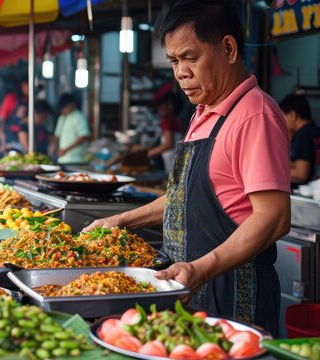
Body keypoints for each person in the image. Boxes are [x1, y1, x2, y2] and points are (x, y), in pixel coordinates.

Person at [84, 0, 290, 334]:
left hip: (233, 299)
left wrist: (200, 269)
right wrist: (119, 221)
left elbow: (274, 217)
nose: (180, 72)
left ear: (228, 48)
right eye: (174, 60)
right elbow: (181, 199)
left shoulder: (254, 115)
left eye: (190, 58)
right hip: (189, 290)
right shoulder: (204, 112)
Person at [278, 93, 320, 187]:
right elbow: (303, 161)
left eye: (282, 116)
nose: (281, 121)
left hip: (309, 193)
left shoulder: (302, 136)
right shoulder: (315, 131)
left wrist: (271, 170)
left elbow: (301, 174)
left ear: (292, 115)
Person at [148, 84, 185, 172]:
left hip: (171, 158)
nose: (158, 111)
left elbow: (168, 144)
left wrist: (149, 153)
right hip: (178, 156)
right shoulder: (176, 118)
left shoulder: (167, 120)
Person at [53, 93, 90, 165]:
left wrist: (65, 150)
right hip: (62, 159)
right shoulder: (62, 117)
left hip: (76, 160)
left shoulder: (79, 116)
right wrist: (55, 146)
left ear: (72, 104)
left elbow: (83, 136)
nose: (64, 110)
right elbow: (57, 135)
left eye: (65, 107)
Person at [0, 77, 29, 154]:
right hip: (9, 141)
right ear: (23, 85)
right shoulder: (11, 98)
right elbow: (1, 120)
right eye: (29, 85)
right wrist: (3, 143)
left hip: (23, 142)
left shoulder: (29, 99)